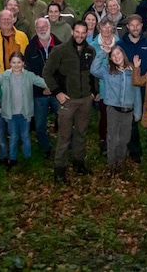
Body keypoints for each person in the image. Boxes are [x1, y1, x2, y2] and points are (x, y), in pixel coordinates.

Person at [43, 22, 99, 183]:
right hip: (67, 100)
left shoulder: (90, 51)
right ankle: (59, 169)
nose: (80, 35)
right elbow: (47, 72)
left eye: (83, 32)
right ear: (72, 32)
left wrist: (94, 92)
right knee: (64, 135)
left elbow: (93, 73)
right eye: (77, 32)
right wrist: (57, 92)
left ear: (87, 33)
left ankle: (79, 163)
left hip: (85, 100)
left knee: (81, 132)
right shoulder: (60, 50)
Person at [89, 45, 141, 174]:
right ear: (110, 59)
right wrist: (102, 53)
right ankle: (111, 164)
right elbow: (93, 70)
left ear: (122, 54)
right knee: (113, 138)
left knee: (124, 139)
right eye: (113, 56)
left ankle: (120, 162)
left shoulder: (132, 70)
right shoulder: (107, 70)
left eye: (118, 54)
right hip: (113, 109)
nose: (116, 57)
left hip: (128, 110)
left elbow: (137, 91)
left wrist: (138, 111)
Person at [119, 14, 147, 163]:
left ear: (142, 26)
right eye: (132, 25)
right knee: (131, 120)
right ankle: (135, 151)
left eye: (138, 25)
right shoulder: (121, 45)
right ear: (128, 27)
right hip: (129, 86)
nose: (135, 28)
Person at [24, 18, 60, 157]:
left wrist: (54, 87)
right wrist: (42, 88)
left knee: (64, 120)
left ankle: (65, 145)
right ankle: (45, 147)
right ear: (35, 29)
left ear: (49, 26)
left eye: (44, 26)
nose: (42, 29)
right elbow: (30, 72)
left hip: (58, 92)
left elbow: (64, 70)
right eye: (39, 27)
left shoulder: (59, 45)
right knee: (39, 124)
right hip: (39, 93)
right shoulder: (30, 48)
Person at [88, 17, 121, 156]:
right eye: (104, 27)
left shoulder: (120, 44)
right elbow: (90, 70)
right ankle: (104, 141)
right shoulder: (93, 46)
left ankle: (118, 141)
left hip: (118, 88)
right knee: (105, 116)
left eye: (110, 27)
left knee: (118, 116)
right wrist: (93, 90)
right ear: (99, 28)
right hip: (102, 88)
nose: (107, 31)